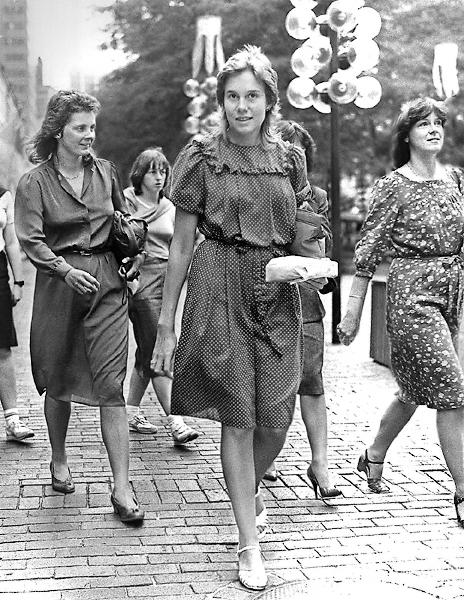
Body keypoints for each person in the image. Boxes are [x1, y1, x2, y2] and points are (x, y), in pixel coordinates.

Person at [152, 45, 322, 590]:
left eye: (252, 96)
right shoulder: (202, 156)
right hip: (219, 283)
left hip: (276, 290)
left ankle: (245, 492)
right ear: (221, 102)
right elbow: (179, 247)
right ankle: (249, 544)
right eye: (232, 97)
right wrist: (165, 322)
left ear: (270, 100)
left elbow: (302, 228)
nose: (241, 107)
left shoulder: (289, 158)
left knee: (278, 414)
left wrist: (313, 266)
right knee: (238, 417)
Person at [15, 90, 144, 524]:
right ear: (58, 131)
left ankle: (121, 487)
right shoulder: (34, 182)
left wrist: (131, 258)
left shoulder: (106, 172)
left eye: (92, 127)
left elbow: (125, 224)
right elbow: (30, 239)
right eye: (80, 128)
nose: (89, 135)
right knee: (59, 377)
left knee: (111, 384)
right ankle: (58, 456)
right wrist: (64, 270)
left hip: (106, 285)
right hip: (60, 288)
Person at [337, 97, 464, 527]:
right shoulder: (394, 185)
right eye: (423, 123)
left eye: (438, 123)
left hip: (452, 293)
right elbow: (368, 250)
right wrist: (352, 312)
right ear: (406, 134)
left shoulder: (456, 180)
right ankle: (463, 491)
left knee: (412, 391)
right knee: (452, 390)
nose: (433, 129)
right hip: (412, 297)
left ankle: (373, 454)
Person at [263, 120, 341, 503]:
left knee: (311, 379)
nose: (293, 161)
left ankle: (320, 463)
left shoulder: (318, 197)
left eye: (299, 154)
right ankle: (266, 454)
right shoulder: (260, 193)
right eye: (285, 151)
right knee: (270, 384)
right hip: (266, 299)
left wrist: (323, 273)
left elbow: (320, 247)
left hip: (307, 300)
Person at [124, 147, 199, 444]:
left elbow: (185, 243)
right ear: (140, 174)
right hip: (140, 281)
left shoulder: (170, 207)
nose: (159, 177)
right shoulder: (126, 202)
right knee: (159, 347)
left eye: (163, 171)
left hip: (166, 282)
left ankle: (131, 410)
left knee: (147, 350)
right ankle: (176, 421)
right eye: (153, 171)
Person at [0, 186, 34, 442]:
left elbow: (11, 240)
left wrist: (18, 282)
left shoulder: (3, 195)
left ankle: (12, 420)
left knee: (3, 347)